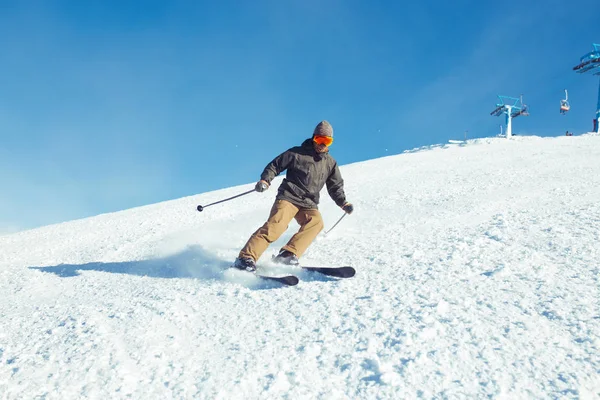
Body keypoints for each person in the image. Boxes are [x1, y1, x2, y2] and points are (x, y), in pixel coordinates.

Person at [232, 120, 353, 272]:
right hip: (289, 196)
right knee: (277, 225)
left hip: (309, 203)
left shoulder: (330, 163)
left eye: (326, 140)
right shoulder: (296, 153)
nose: (322, 144)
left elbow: (335, 186)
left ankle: (288, 254)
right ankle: (246, 258)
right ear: (313, 138)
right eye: (319, 139)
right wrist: (265, 180)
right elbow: (275, 165)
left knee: (316, 223)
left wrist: (343, 203)